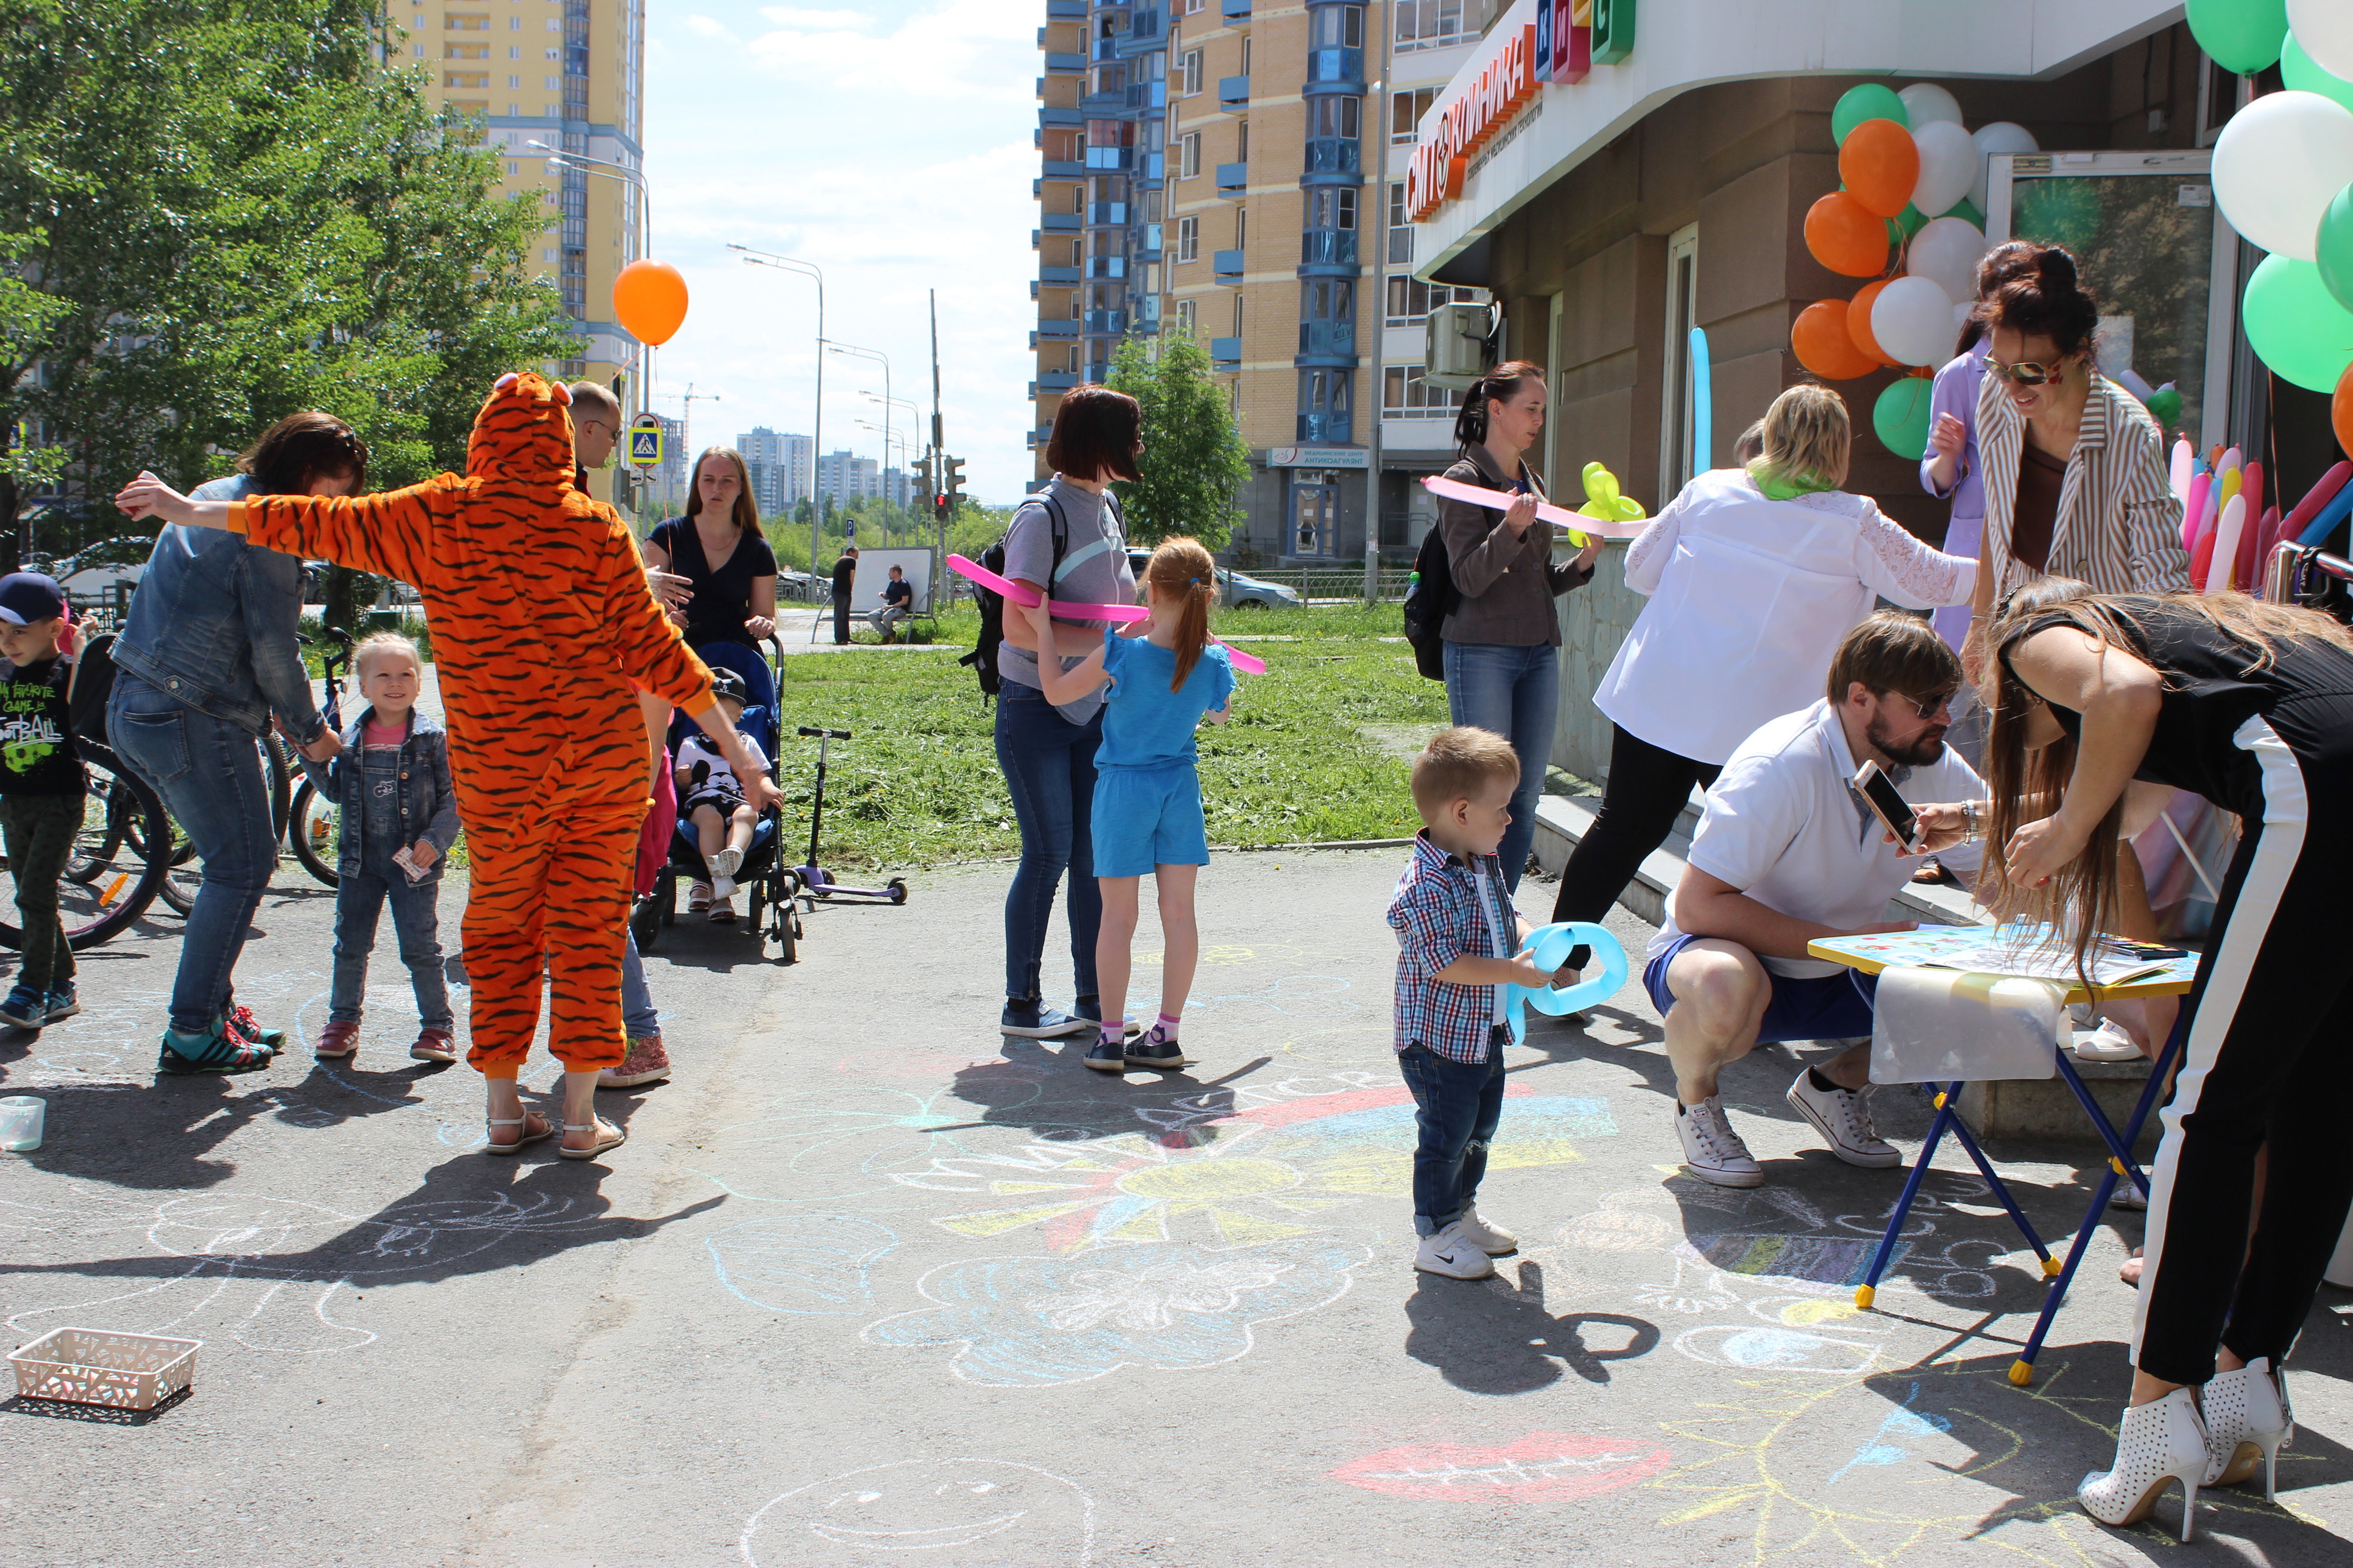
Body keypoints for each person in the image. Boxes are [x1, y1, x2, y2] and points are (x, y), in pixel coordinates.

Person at [116, 371, 776, 1160]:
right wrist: (742, 758)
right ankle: (575, 1116)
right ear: (560, 446)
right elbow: (665, 658)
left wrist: (191, 510)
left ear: (482, 438)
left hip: (500, 776)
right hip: (599, 772)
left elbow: (314, 523)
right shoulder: (594, 530)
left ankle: (503, 1110)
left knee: (500, 926)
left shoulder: (436, 514)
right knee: (588, 933)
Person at [1979, 582, 2353, 1536]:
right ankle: (2246, 1383)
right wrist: (2027, 819)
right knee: (2321, 1110)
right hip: (2336, 776)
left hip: (2321, 793)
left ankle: (2157, 1414)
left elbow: (2122, 701)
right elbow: (2129, 787)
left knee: (2206, 1113)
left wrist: (2061, 831)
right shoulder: (2226, 638)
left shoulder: (2036, 632)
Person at [1548, 383, 1976, 983]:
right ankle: (1754, 977)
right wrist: (2016, 565)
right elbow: (1934, 583)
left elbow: (1640, 571)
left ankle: (1556, 966)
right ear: (1837, 450)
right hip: (1761, 725)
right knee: (1766, 859)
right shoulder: (1853, 521)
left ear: (1769, 433)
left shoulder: (1707, 491)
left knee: (1622, 828)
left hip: (1665, 697)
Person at [1643, 612, 1985, 1188]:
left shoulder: (1932, 762)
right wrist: (1849, 943)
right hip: (1726, 958)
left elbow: (1997, 880)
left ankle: (1834, 1085)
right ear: (1860, 698)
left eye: (1947, 700)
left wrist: (2063, 948)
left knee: (1993, 990)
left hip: (1842, 961)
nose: (1945, 719)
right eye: (1926, 704)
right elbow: (1700, 905)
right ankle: (1695, 1102)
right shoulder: (1779, 765)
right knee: (1725, 984)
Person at [109, 411, 358, 1073]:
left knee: (236, 858)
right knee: (241, 864)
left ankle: (213, 1007)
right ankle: (192, 1028)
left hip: (137, 701)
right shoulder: (267, 530)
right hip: (193, 710)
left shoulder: (215, 493)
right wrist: (310, 733)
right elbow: (274, 650)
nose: (331, 516)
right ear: (304, 476)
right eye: (332, 497)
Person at [1021, 536, 1234, 1074]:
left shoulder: (1120, 653)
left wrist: (1044, 630)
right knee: (1180, 916)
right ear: (1205, 597)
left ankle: (1111, 1039)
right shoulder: (1212, 662)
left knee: (1118, 917)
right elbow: (1220, 715)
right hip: (1179, 793)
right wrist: (1201, 642)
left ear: (1150, 591)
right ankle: (1166, 1034)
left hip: (1123, 793)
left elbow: (1055, 691)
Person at [1387, 726, 1562, 1280]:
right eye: (1503, 809)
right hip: (1438, 1042)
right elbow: (1446, 963)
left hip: (1481, 1032)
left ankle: (1462, 1215)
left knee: (1480, 1131)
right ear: (1462, 812)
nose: (1510, 820)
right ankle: (1435, 1236)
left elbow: (1506, 919)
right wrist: (1515, 972)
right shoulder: (1423, 886)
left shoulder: (1479, 860)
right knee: (1445, 1137)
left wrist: (1535, 941)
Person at [992, 385, 1139, 1040]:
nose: (1138, 448)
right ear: (1100, 441)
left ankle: (1091, 998)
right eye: (1131, 436)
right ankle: (1020, 1004)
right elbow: (1019, 625)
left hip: (1094, 712)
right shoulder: (1040, 515)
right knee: (1048, 852)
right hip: (1035, 708)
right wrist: (1108, 647)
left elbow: (1121, 604)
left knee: (1089, 855)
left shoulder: (1106, 505)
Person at [1434, 362, 1602, 893]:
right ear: (1497, 410)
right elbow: (1468, 578)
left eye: (1543, 411)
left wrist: (1581, 566)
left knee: (1525, 793)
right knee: (1483, 791)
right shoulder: (1465, 480)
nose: (1538, 420)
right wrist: (1510, 529)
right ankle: (1463, 904)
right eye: (1531, 408)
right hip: (1480, 652)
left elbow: (1530, 585)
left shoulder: (1531, 482)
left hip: (1536, 653)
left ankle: (1500, 909)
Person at [301, 632, 460, 1065]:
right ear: (364, 685)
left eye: (406, 674)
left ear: (419, 681)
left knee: (420, 947)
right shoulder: (348, 740)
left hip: (415, 864)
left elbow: (455, 798)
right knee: (350, 944)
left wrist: (435, 840)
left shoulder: (432, 739)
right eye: (383, 675)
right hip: (360, 861)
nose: (396, 683)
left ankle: (437, 1026)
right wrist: (310, 755)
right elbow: (335, 792)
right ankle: (342, 1022)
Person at [1922, 241, 2042, 656]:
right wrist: (1949, 456)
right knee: (1963, 661)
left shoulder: (2058, 366)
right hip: (1978, 535)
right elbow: (1934, 477)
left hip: (2041, 529)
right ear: (1986, 304)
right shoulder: (1958, 375)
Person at [0, 573, 82, 1031]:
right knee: (33, 895)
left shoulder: (68, 674)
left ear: (53, 629)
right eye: (0, 631)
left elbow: (91, 715)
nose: (8, 642)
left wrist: (87, 651)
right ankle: (63, 984)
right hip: (13, 801)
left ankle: (31, 988)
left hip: (59, 799)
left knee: (34, 892)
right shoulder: (1, 673)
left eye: (18, 630)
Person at [642, 448, 779, 654]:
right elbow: (641, 604)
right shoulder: (667, 534)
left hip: (736, 659)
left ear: (741, 487)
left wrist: (763, 623)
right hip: (676, 656)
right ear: (697, 483)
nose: (717, 488)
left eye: (727, 481)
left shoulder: (758, 549)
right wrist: (663, 620)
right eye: (708, 479)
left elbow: (764, 614)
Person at [675, 668, 768, 925]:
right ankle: (719, 879)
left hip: (737, 800)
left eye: (727, 717)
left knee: (749, 813)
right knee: (710, 819)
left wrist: (767, 786)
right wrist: (682, 779)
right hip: (702, 801)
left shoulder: (747, 743)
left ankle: (734, 852)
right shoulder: (690, 745)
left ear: (740, 715)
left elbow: (761, 773)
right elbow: (680, 787)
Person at [871, 563, 914, 642]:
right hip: (890, 607)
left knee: (886, 616)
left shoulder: (904, 584)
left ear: (895, 573)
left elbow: (905, 601)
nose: (888, 574)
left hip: (900, 609)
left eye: (890, 572)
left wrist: (891, 607)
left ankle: (889, 638)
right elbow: (888, 596)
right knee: (871, 616)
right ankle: (889, 634)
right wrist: (884, 595)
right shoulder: (892, 584)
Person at [831, 543, 858, 646]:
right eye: (856, 554)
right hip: (843, 592)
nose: (857, 557)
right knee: (841, 616)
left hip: (837, 591)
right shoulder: (851, 560)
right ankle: (841, 638)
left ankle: (844, 638)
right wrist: (851, 588)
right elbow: (852, 576)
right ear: (851, 552)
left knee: (843, 615)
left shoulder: (841, 559)